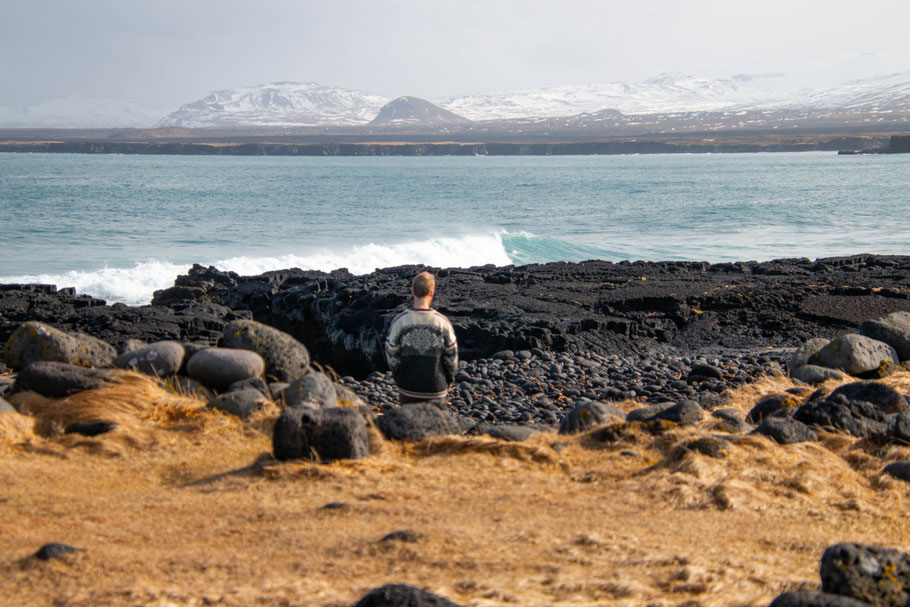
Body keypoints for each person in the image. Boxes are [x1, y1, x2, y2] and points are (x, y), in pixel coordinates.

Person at [385, 271, 458, 405]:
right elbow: (451, 357)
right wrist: (448, 379)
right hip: (437, 388)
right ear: (431, 293)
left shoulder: (400, 321)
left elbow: (391, 353)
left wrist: (398, 377)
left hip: (408, 387)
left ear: (412, 292)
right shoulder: (442, 322)